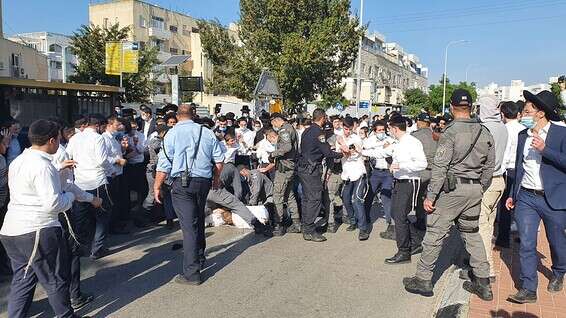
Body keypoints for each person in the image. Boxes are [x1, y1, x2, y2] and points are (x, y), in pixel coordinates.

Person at [0, 119, 101, 318]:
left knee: (23, 278)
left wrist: (59, 173)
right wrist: (72, 197)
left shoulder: (20, 161)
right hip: (37, 229)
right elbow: (53, 203)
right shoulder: (42, 166)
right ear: (53, 140)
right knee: (53, 278)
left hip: (12, 230)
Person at [403, 89, 495, 301]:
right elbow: (490, 167)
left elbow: (440, 167)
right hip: (474, 191)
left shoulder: (450, 133)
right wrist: (479, 187)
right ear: (471, 108)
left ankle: (423, 279)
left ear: (452, 108)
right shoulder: (485, 132)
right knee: (472, 234)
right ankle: (483, 282)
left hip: (451, 191)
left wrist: (430, 196)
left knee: (434, 235)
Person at [505, 90, 566, 304]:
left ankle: (559, 271)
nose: (523, 114)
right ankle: (529, 288)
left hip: (554, 199)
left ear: (540, 113)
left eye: (527, 110)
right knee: (526, 243)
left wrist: (545, 149)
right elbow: (520, 168)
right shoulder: (523, 135)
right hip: (527, 199)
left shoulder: (561, 133)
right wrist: (514, 194)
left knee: (556, 242)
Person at [154, 104, 226, 285]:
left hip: (182, 183)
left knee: (188, 226)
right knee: (198, 219)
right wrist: (216, 179)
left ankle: (192, 273)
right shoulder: (207, 132)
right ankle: (200, 258)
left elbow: (163, 164)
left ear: (177, 116)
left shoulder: (172, 133)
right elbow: (219, 159)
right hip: (202, 181)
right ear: (193, 115)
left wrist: (157, 186)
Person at [468, 95, 508, 281]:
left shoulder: (484, 129)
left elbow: (478, 158)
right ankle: (480, 263)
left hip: (487, 182)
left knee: (481, 228)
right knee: (488, 225)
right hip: (499, 180)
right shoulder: (502, 126)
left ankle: (485, 271)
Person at [66, 114, 114, 260]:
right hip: (97, 181)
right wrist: (110, 170)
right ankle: (97, 249)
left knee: (81, 217)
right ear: (98, 126)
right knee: (102, 216)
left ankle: (79, 246)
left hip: (80, 183)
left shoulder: (75, 138)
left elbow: (68, 157)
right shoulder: (98, 138)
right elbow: (101, 160)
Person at [384, 116, 428, 264]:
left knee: (400, 216)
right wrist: (360, 151)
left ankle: (404, 251)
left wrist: (401, 165)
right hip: (399, 182)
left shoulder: (412, 142)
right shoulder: (398, 143)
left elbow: (422, 164)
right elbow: (382, 152)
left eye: (389, 128)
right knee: (396, 214)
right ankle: (415, 242)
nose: (388, 131)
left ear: (395, 129)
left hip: (409, 183)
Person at [297, 108, 343, 242]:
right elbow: (327, 152)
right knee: (315, 199)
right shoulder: (319, 132)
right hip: (312, 169)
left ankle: (306, 226)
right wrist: (342, 154)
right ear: (323, 118)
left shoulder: (307, 130)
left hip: (303, 167)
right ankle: (310, 230)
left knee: (306, 199)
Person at [495, 101, 525, 248]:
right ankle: (522, 235)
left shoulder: (503, 130)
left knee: (505, 205)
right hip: (521, 170)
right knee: (520, 204)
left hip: (507, 170)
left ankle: (503, 238)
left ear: (503, 114)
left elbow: (504, 153)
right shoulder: (524, 129)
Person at [362, 120, 396, 239]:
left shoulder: (391, 140)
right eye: (379, 130)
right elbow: (364, 149)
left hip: (387, 173)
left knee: (386, 197)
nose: (381, 132)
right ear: (375, 131)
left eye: (383, 130)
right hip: (375, 172)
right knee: (369, 196)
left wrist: (388, 149)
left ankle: (390, 224)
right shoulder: (370, 141)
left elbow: (395, 153)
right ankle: (365, 220)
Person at [337, 117, 369, 240]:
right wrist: (342, 145)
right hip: (347, 174)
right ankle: (352, 220)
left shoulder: (356, 138)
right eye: (345, 129)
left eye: (350, 129)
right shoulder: (339, 137)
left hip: (358, 172)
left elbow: (349, 153)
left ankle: (363, 229)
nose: (347, 131)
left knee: (357, 199)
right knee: (345, 198)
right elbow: (342, 153)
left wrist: (343, 145)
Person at [410, 112, 438, 254]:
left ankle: (420, 222)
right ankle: (428, 223)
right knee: (431, 199)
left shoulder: (415, 136)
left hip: (422, 172)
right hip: (436, 172)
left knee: (420, 198)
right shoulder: (436, 135)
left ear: (419, 122)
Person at [269, 113, 300, 236]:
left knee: (278, 195)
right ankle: (296, 222)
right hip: (290, 166)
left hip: (284, 167)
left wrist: (273, 154)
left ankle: (278, 223)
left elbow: (287, 147)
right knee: (289, 195)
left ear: (276, 120)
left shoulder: (284, 130)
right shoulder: (290, 128)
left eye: (273, 124)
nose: (273, 126)